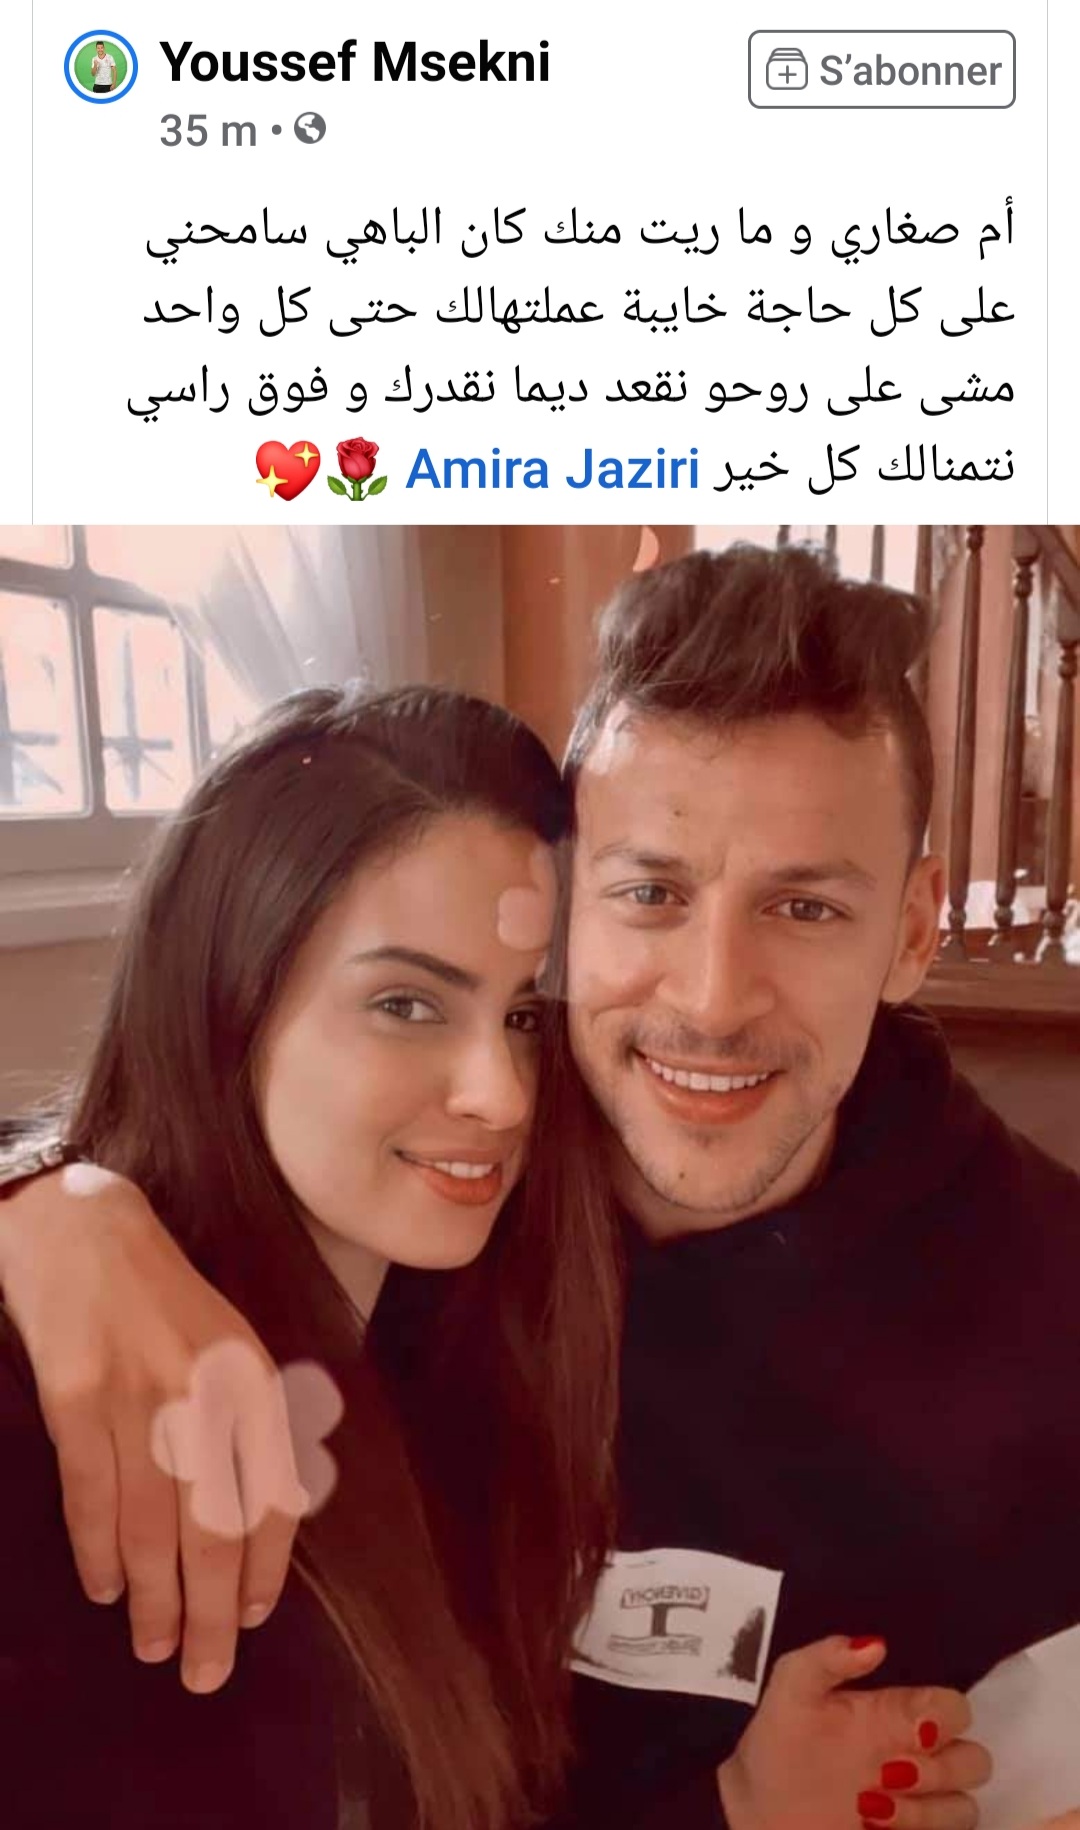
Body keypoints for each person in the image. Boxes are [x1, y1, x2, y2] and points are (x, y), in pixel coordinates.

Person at [5, 544, 1068, 1822]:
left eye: (805, 910)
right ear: (566, 912)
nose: (712, 999)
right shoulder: (439, 1192)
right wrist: (54, 1203)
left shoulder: (1043, 1301)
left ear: (914, 930)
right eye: (650, 892)